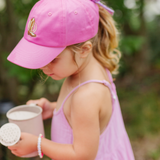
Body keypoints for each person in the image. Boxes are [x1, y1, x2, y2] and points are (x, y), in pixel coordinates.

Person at [7, 0, 135, 159]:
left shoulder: (86, 96)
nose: (43, 67)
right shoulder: (91, 67)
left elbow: (82, 155)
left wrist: (38, 144)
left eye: (53, 59)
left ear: (84, 49)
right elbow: (87, 116)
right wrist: (54, 108)